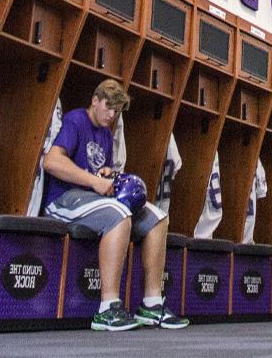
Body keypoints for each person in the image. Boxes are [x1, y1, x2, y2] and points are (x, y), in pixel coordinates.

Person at [42, 79, 188, 331]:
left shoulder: (106, 135)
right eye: (108, 108)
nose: (112, 115)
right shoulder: (76, 120)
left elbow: (96, 172)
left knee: (157, 217)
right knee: (119, 214)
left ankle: (152, 304)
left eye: (117, 111)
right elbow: (52, 162)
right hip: (63, 199)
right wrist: (93, 181)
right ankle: (107, 308)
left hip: (91, 201)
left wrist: (105, 174)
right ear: (95, 101)